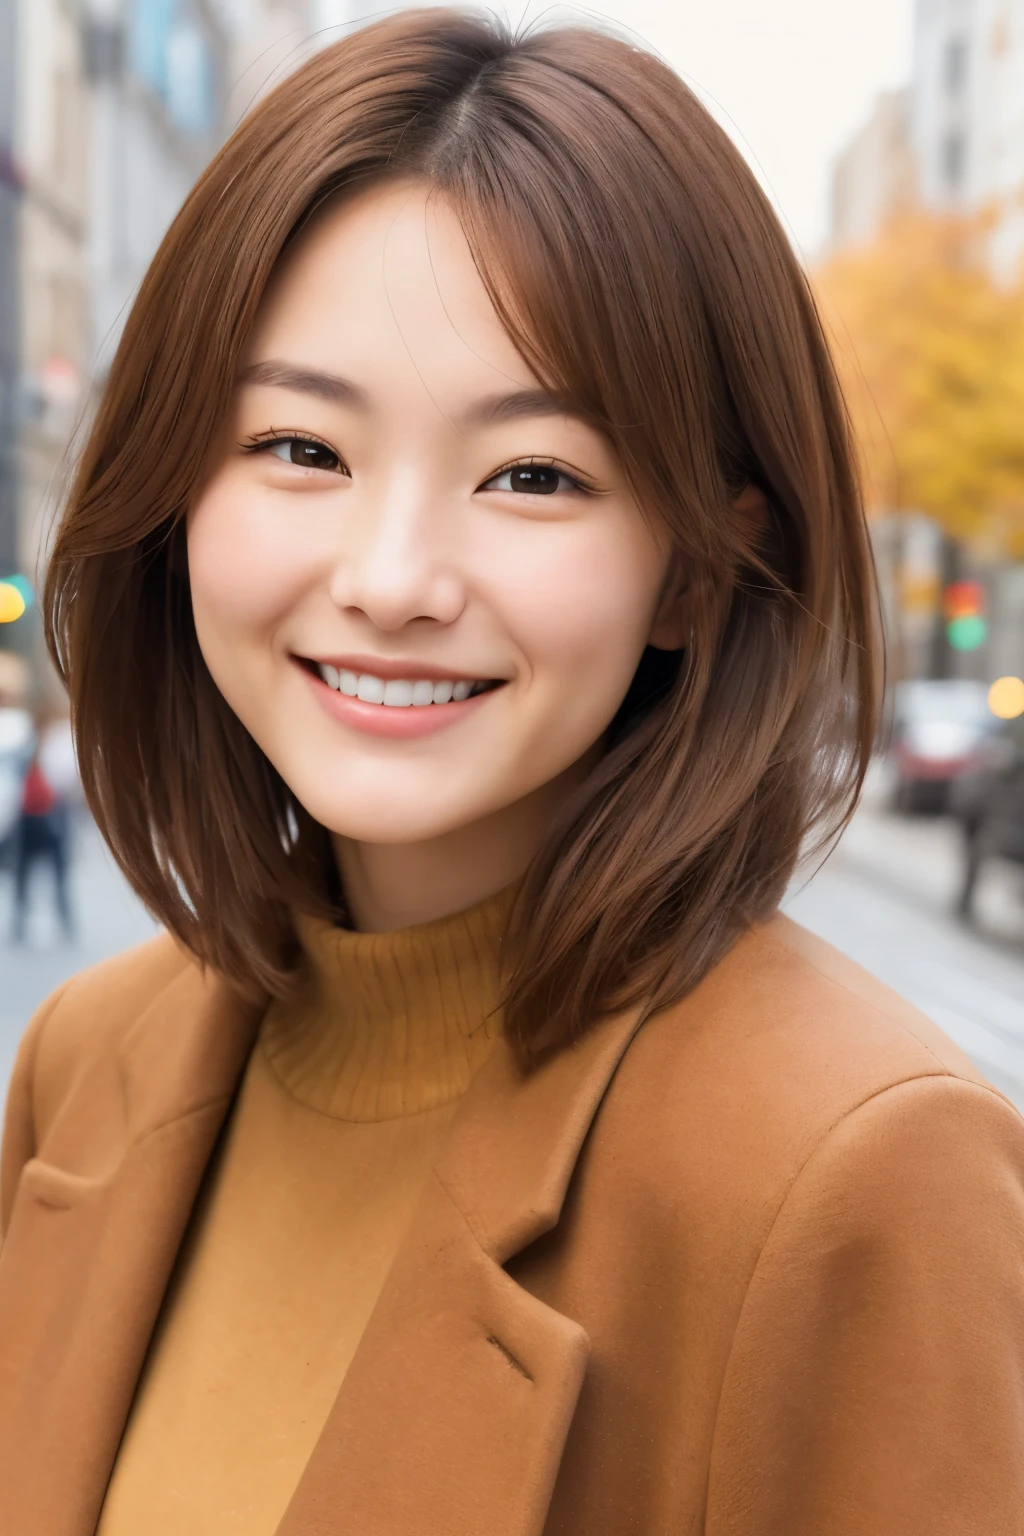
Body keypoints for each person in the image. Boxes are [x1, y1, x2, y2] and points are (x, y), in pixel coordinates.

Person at [1, 13, 1022, 1534]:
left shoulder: (867, 1177)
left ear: (701, 567)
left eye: (533, 475)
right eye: (301, 447)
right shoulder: (88, 1058)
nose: (394, 577)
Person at [9, 726, 74, 944]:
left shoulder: (49, 760)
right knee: (27, 877)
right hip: (34, 824)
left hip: (44, 822)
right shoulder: (24, 763)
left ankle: (63, 918)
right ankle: (22, 921)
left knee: (49, 877)